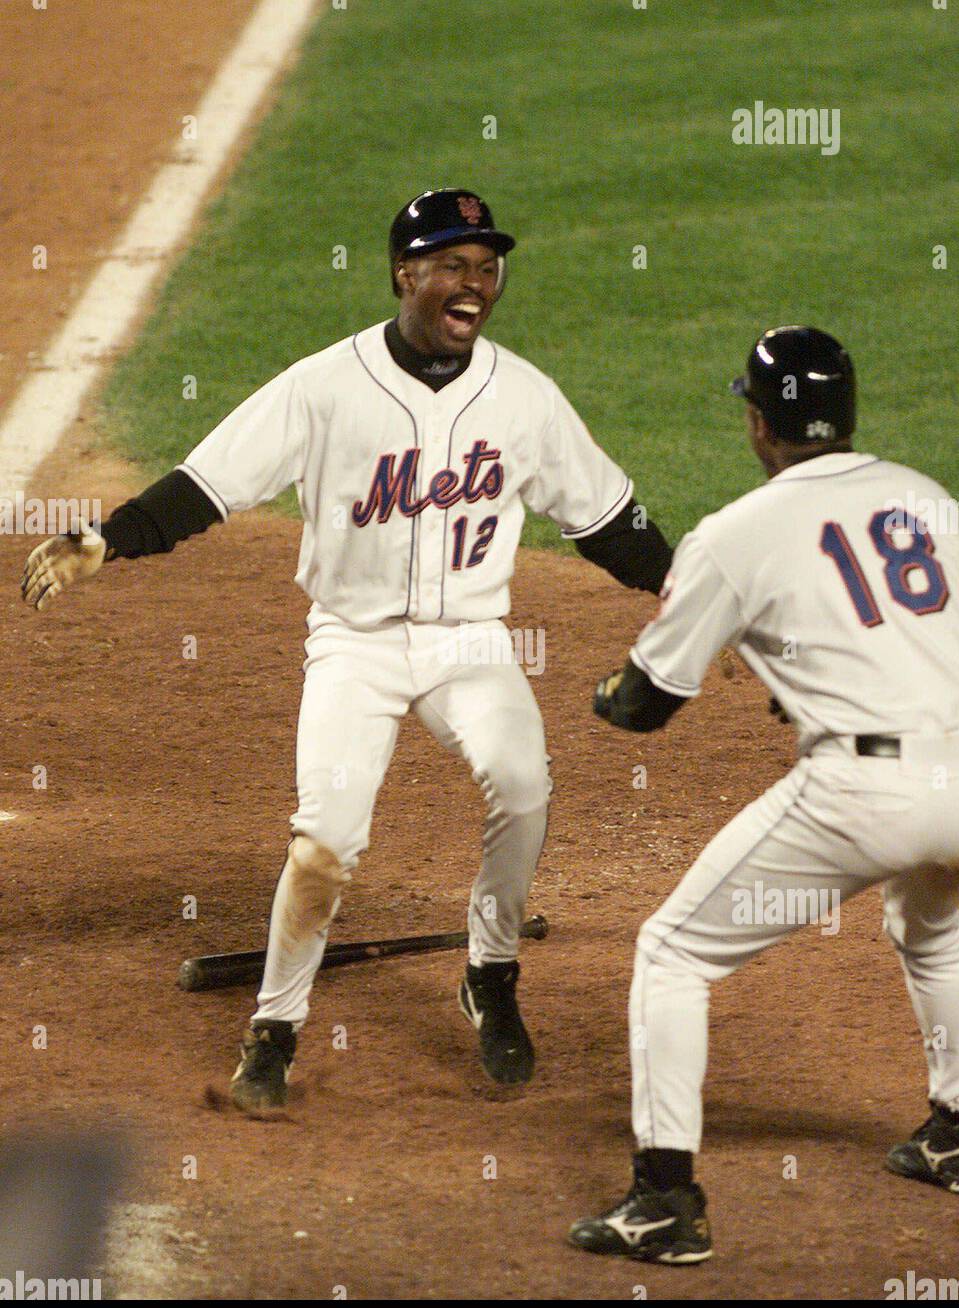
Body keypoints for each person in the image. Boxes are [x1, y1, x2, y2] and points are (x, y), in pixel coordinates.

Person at [22, 188, 673, 1109]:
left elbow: (609, 522)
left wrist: (686, 590)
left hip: (470, 644)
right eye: (452, 264)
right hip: (353, 646)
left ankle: (490, 974)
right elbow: (208, 485)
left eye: (486, 266)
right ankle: (274, 1027)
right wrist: (104, 541)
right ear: (405, 274)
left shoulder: (525, 398)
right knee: (325, 845)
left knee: (523, 786)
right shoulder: (324, 385)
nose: (474, 281)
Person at [569, 326, 959, 1264]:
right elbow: (934, 641)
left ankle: (664, 1201)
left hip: (862, 795)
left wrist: (602, 694)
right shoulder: (923, 496)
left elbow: (643, 705)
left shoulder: (732, 535)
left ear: (757, 423)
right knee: (930, 927)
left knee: (672, 955)